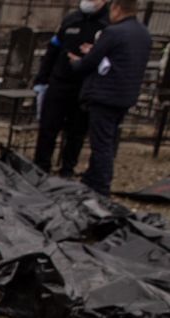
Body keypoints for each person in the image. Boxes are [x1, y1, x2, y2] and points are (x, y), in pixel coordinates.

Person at [71, 0, 152, 195]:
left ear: (116, 8)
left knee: (102, 143)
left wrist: (76, 62)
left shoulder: (114, 32)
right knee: (109, 139)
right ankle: (92, 177)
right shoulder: (143, 34)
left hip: (105, 95)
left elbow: (90, 62)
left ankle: (100, 187)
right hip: (125, 95)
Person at [32, 0, 111, 176]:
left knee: (76, 132)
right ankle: (40, 167)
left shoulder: (108, 25)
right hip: (59, 82)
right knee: (48, 128)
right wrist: (42, 79)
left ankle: (67, 170)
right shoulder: (71, 20)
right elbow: (53, 50)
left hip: (85, 86)